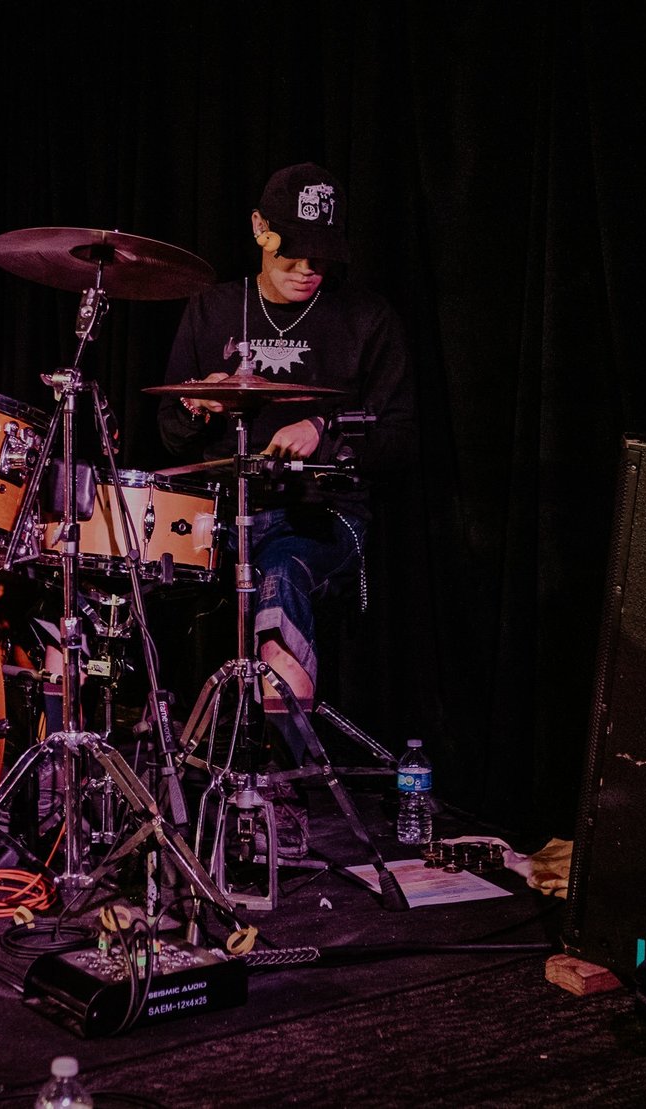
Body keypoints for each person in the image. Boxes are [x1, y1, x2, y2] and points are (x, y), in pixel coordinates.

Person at [157, 162, 416, 745]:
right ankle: (123, 755)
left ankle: (283, 773)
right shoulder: (211, 309)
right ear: (259, 228)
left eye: (322, 255)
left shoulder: (367, 319)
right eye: (293, 251)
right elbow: (171, 435)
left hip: (323, 518)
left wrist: (324, 428)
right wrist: (199, 405)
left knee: (280, 572)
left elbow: (400, 438)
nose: (307, 268)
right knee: (111, 569)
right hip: (218, 516)